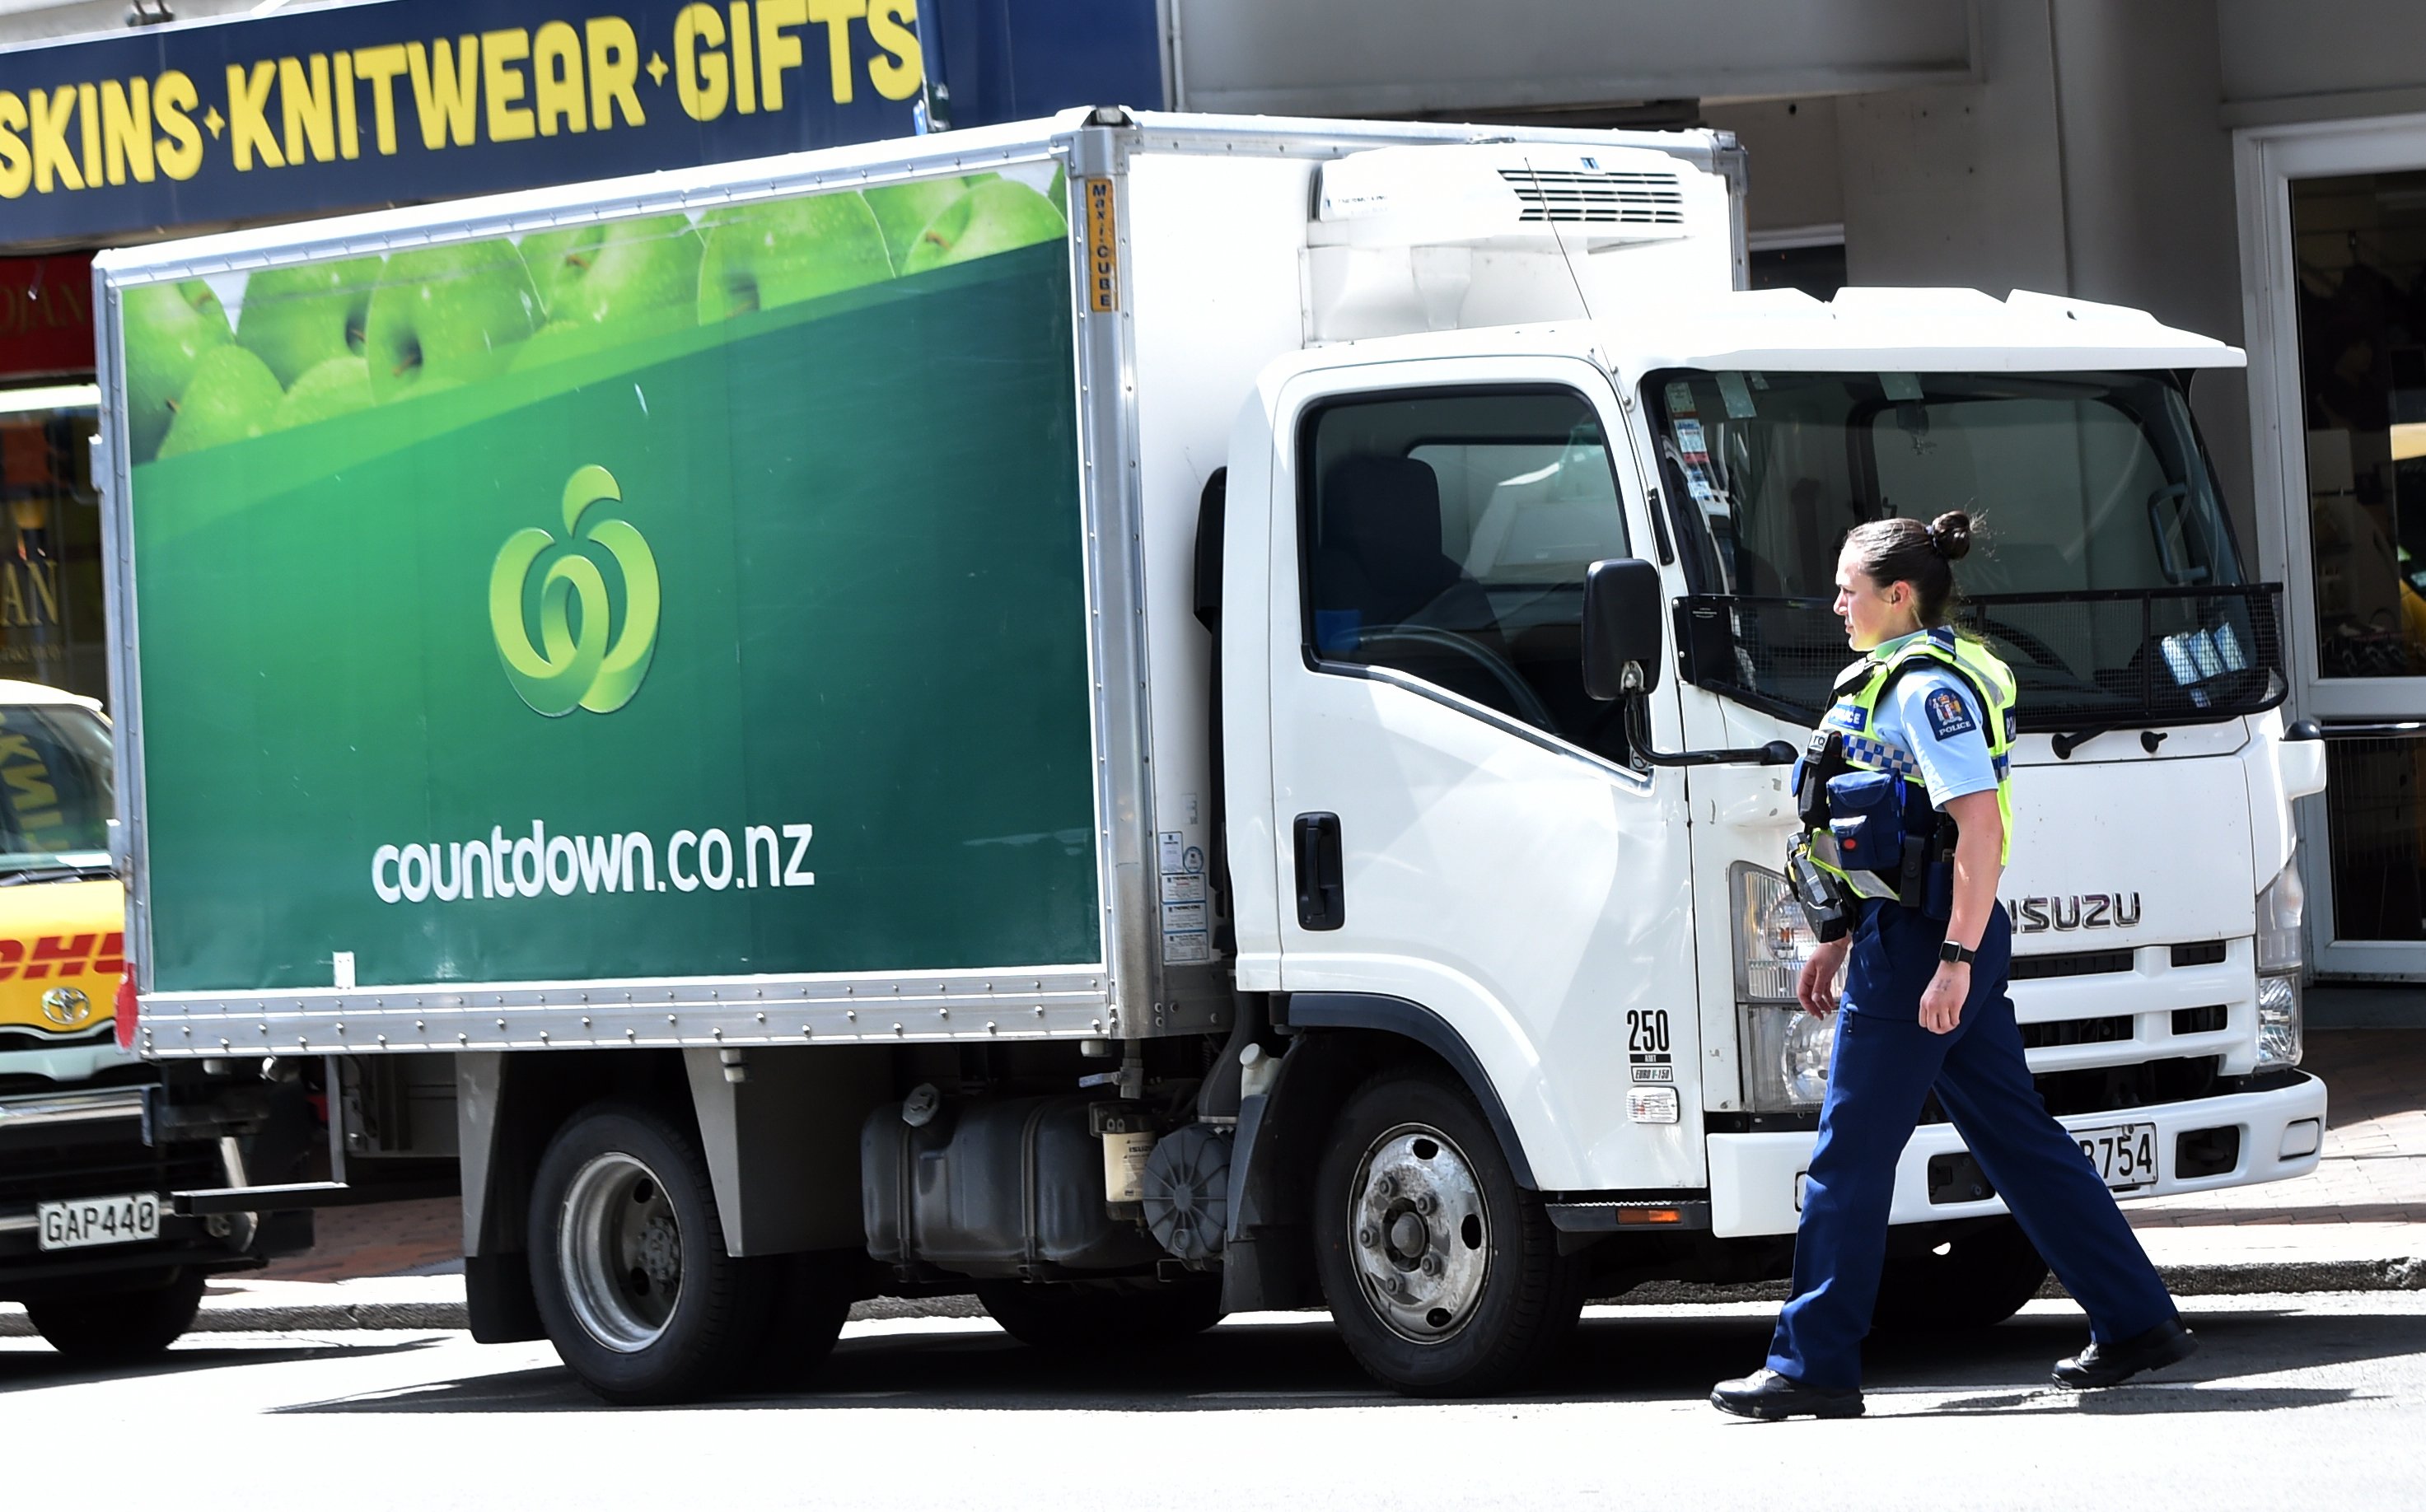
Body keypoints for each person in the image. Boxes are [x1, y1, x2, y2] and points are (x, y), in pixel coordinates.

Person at [1709, 510, 2195, 1421]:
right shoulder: (1912, 675)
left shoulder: (1923, 691)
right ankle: (2135, 1323)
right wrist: (1843, 931)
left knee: (1845, 1160)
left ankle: (1811, 1361)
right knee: (2017, 1140)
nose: (1835, 604)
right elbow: (1904, 832)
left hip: (1929, 948)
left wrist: (1953, 959)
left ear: (1898, 596)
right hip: (1920, 935)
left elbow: (1977, 825)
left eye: (1849, 589)